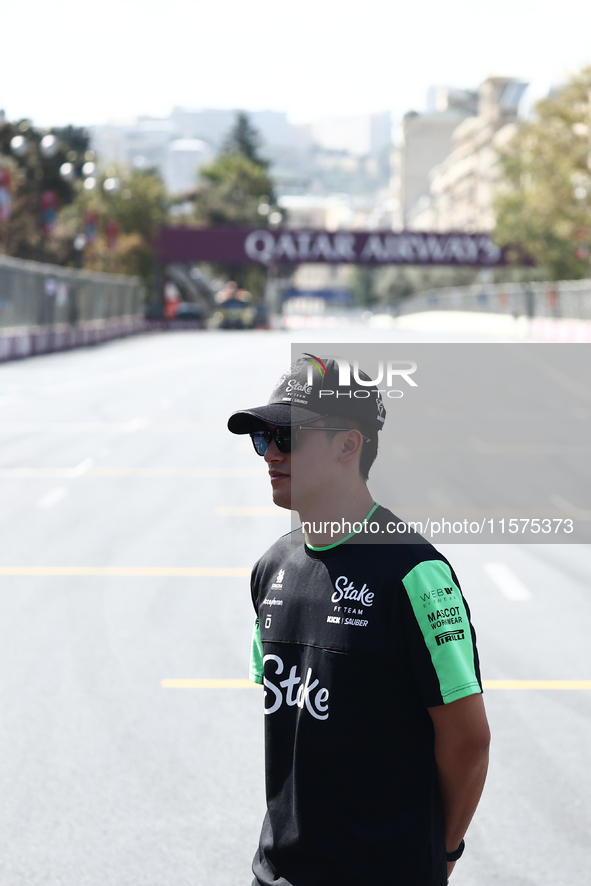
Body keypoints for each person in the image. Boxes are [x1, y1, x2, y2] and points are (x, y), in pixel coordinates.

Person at [227, 356, 490, 886]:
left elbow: (468, 740)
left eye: (288, 436)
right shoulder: (271, 567)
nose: (271, 454)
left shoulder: (415, 572)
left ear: (349, 445)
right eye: (262, 438)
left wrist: (440, 849)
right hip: (278, 872)